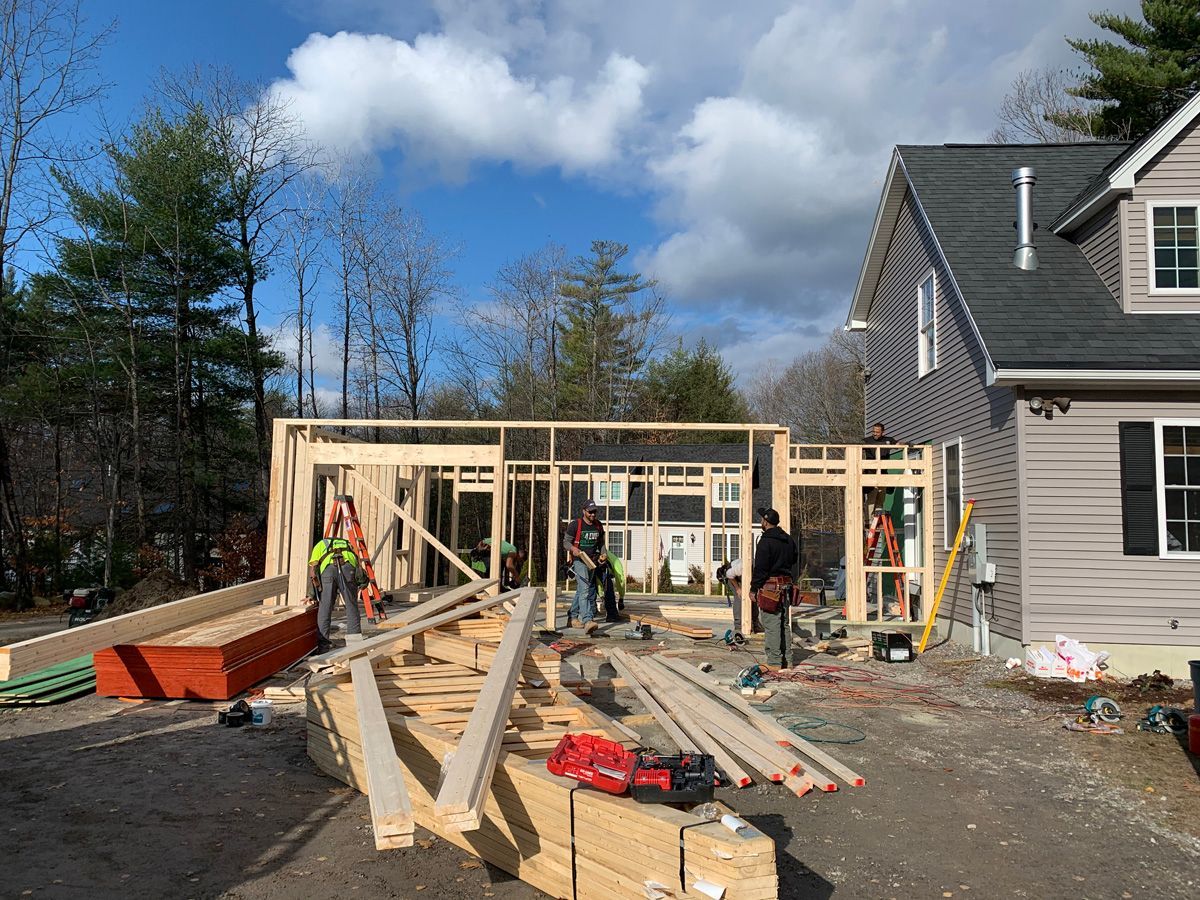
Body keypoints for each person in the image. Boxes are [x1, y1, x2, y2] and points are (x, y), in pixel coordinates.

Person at [750, 507, 797, 669]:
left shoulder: (765, 542)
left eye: (761, 519)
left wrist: (753, 589)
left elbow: (760, 569)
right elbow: (794, 560)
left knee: (771, 624)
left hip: (770, 588)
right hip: (786, 586)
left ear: (765, 521)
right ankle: (788, 661)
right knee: (784, 623)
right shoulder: (789, 540)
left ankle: (775, 662)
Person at [307, 535, 363, 652]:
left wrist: (311, 594)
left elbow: (313, 572)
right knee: (351, 607)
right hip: (348, 570)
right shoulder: (348, 545)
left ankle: (323, 646)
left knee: (325, 608)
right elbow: (358, 566)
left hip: (328, 571)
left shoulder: (321, 544)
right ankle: (355, 645)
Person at [563, 499, 606, 634]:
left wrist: (603, 554)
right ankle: (588, 620)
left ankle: (572, 617)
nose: (593, 514)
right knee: (586, 589)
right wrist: (573, 549)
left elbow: (601, 544)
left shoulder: (598, 526)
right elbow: (566, 542)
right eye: (590, 512)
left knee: (581, 590)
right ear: (584, 511)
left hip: (591, 562)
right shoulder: (575, 525)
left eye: (595, 512)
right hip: (579, 560)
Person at [716, 557, 760, 636]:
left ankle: (755, 624)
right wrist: (737, 588)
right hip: (732, 577)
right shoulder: (743, 566)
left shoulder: (759, 567)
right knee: (739, 597)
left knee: (753, 598)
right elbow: (729, 574)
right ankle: (738, 626)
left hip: (742, 577)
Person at [863, 422, 900, 514]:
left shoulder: (888, 440)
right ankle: (869, 521)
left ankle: (878, 519)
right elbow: (857, 447)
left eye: (877, 432)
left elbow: (897, 444)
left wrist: (906, 444)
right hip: (871, 473)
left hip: (883, 473)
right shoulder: (867, 441)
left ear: (883, 432)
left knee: (881, 496)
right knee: (872, 496)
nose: (875, 433)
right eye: (873, 431)